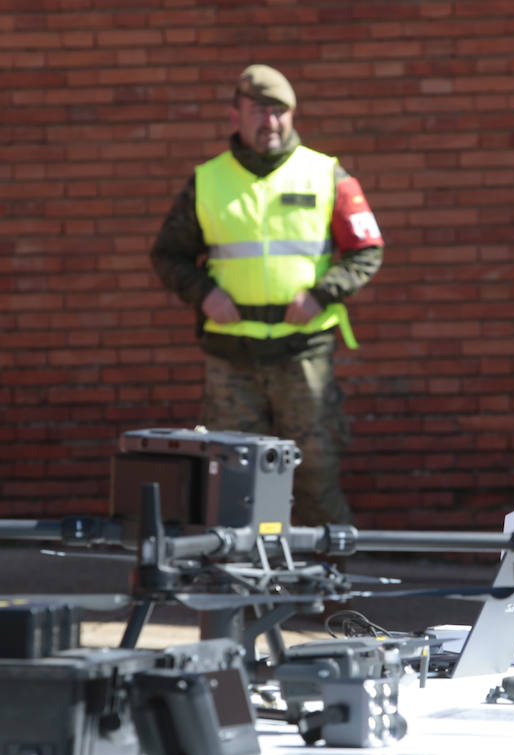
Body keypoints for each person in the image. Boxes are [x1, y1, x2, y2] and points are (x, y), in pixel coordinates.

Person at [151, 64, 384, 526]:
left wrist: (324, 293)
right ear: (235, 116)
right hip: (231, 357)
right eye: (259, 111)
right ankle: (243, 592)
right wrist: (203, 294)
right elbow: (168, 255)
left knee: (316, 476)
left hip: (303, 355)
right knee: (234, 483)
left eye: (280, 111)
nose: (270, 122)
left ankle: (328, 591)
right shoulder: (207, 181)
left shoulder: (327, 175)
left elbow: (366, 249)